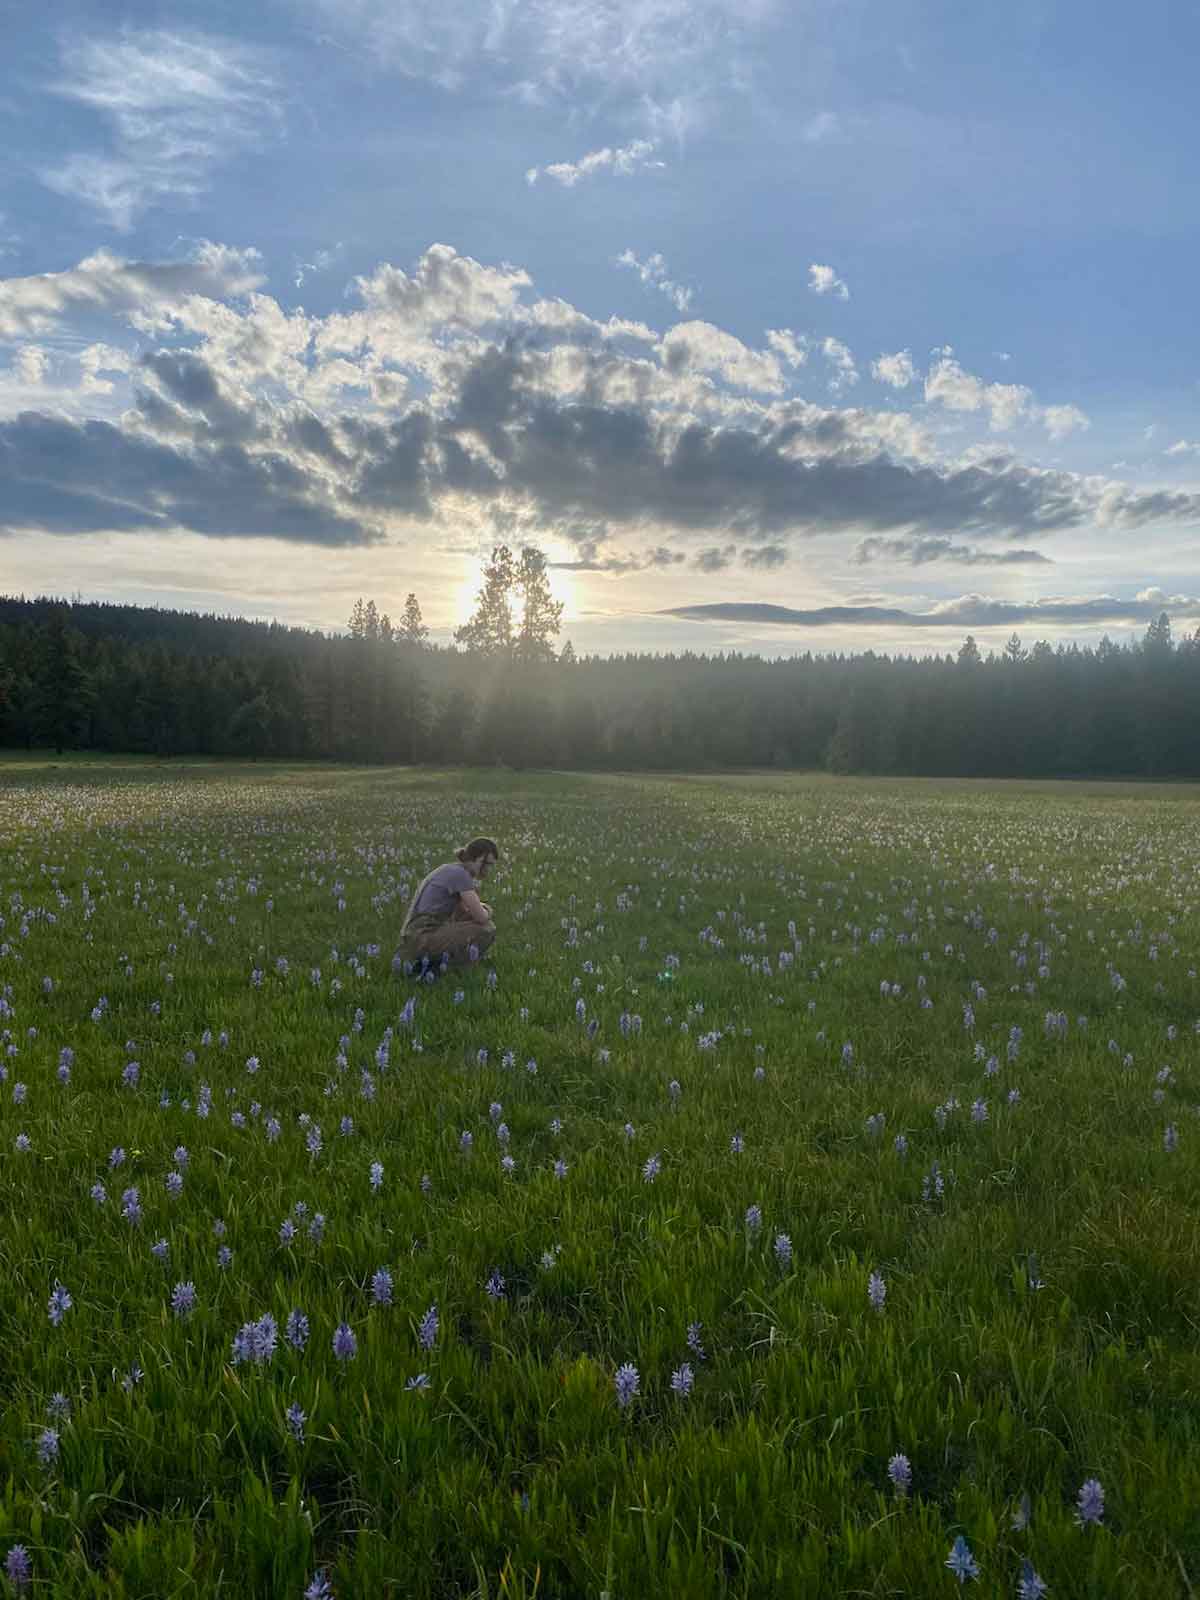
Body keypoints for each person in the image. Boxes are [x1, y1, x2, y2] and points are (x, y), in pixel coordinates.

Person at [400, 837, 498, 970]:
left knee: (469, 919)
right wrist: (488, 909)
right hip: (423, 937)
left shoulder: (451, 869)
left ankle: (436, 963)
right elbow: (481, 917)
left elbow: (464, 911)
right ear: (479, 859)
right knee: (487, 929)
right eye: (488, 864)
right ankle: (455, 968)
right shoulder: (461, 875)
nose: (488, 870)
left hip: (413, 936)